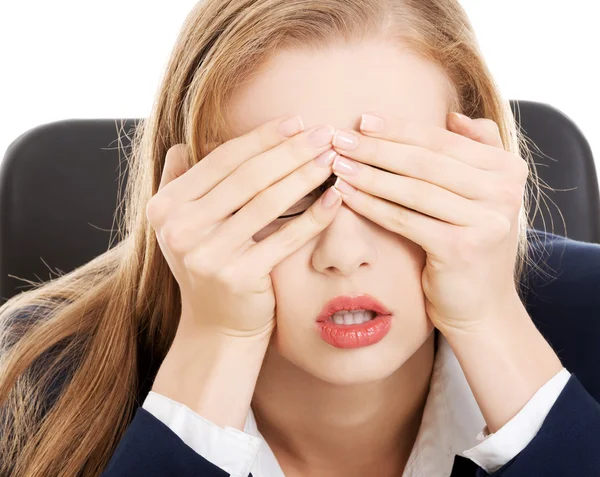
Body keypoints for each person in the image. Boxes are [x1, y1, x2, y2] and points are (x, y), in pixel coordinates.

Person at [1, 0, 600, 476]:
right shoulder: (31, 376)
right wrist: (216, 341)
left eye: (396, 182)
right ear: (185, 195)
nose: (343, 255)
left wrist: (493, 322)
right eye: (281, 192)